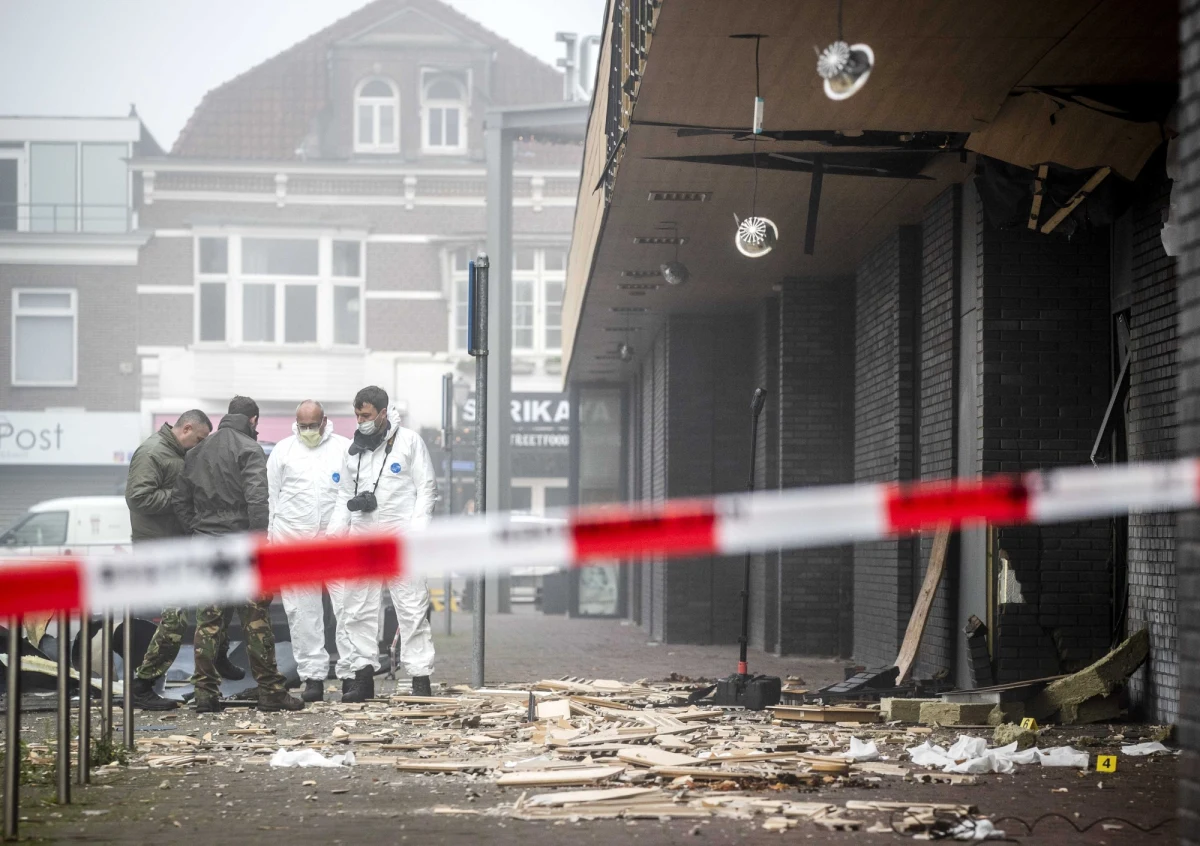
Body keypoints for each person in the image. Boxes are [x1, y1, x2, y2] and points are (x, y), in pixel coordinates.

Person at [172, 395, 304, 713]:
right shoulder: (249, 449)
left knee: (208, 621)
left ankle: (205, 694)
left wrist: (198, 529)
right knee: (255, 621)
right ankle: (270, 692)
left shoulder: (198, 450)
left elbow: (179, 500)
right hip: (243, 546)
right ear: (254, 421)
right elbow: (258, 501)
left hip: (207, 546)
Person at [125, 410, 251, 710]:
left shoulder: (179, 453)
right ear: (187, 428)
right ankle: (141, 686)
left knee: (215, 602)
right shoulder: (153, 452)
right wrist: (184, 496)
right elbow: (138, 497)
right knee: (175, 619)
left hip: (180, 546)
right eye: (199, 439)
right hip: (159, 550)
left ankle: (219, 656)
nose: (200, 445)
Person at [327, 386, 437, 700]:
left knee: (412, 608)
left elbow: (426, 489)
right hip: (362, 540)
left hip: (401, 540)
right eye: (357, 415)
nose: (360, 420)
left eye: (366, 415)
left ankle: (419, 678)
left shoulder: (409, 443)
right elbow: (343, 498)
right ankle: (363, 678)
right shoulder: (353, 451)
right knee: (358, 610)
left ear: (383, 412)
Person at [266, 400, 350, 703]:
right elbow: (272, 500)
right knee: (303, 614)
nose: (309, 431)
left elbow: (350, 494)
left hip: (337, 541)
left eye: (313, 425)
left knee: (348, 609)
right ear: (296, 423)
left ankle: (350, 675)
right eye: (303, 426)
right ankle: (312, 678)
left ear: (325, 421)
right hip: (294, 541)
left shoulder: (344, 448)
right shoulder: (283, 451)